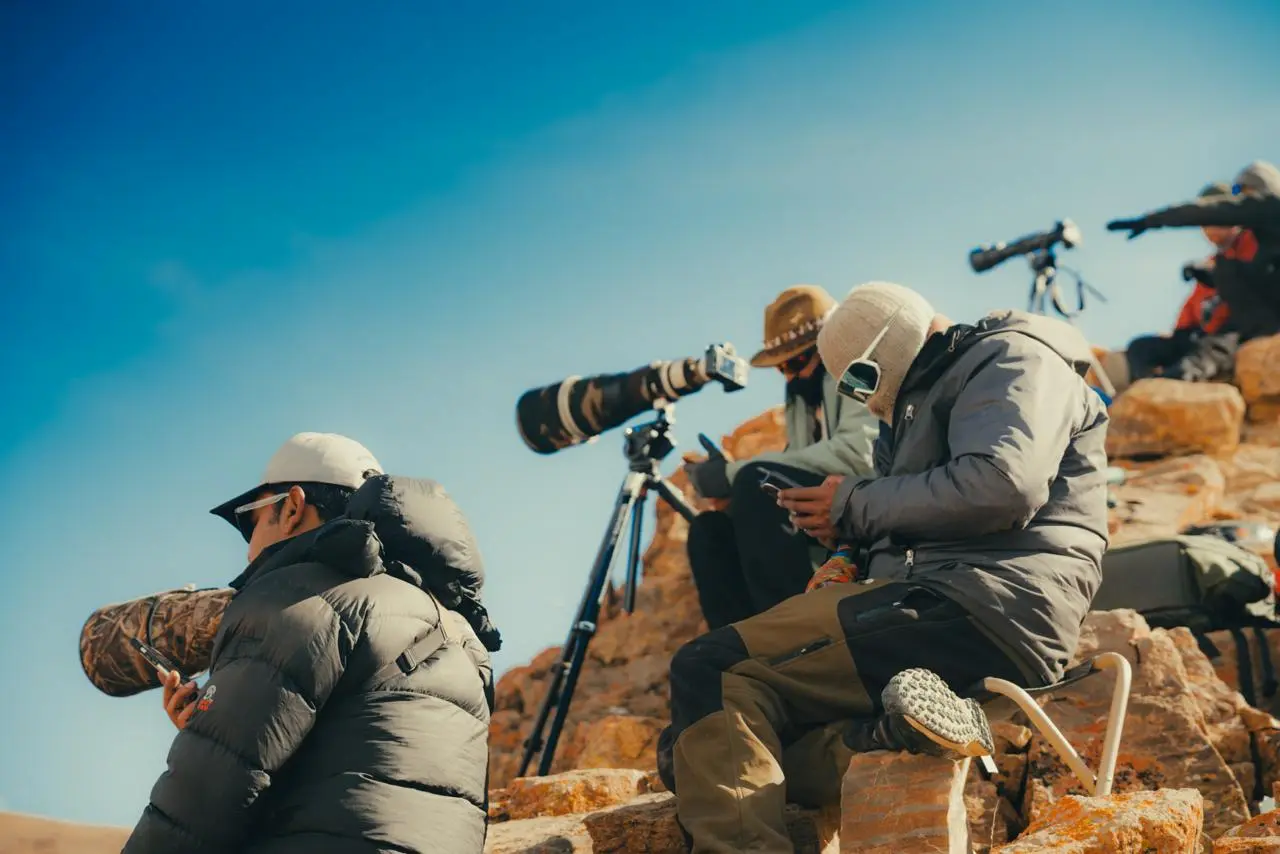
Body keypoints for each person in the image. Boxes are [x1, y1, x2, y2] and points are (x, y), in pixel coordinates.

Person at [657, 282, 1110, 854]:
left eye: (859, 381)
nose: (865, 403)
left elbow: (1002, 487)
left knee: (711, 671)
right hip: (937, 598)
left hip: (982, 603)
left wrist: (851, 504)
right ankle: (894, 735)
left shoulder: (1013, 359)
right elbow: (898, 517)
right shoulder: (913, 402)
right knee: (695, 750)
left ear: (885, 352)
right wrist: (846, 557)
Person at [123, 432, 500, 854]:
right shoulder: (461, 634)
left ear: (293, 507)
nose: (248, 550)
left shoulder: (300, 598)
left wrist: (218, 744)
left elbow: (201, 801)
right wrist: (214, 724)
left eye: (250, 520)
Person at [682, 284, 879, 629]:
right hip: (833, 515)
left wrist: (732, 474)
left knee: (754, 483)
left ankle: (791, 634)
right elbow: (799, 463)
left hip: (873, 504)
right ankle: (743, 651)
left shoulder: (857, 367)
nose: (790, 374)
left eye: (798, 360)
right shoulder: (803, 400)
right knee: (708, 530)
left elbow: (861, 453)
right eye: (781, 367)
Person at [1107, 160, 1280, 344]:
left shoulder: (1271, 207)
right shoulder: (1259, 235)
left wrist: (1152, 220)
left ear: (1262, 187)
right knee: (1225, 270)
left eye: (1240, 192)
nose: (1240, 200)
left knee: (1225, 270)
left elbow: (1207, 211)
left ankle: (1260, 337)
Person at [1107, 182, 1243, 390]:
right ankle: (1146, 391)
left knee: (1198, 358)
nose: (1208, 230)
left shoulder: (1253, 253)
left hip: (1229, 337)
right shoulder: (1210, 261)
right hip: (1198, 336)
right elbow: (1189, 317)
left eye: (1213, 221)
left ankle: (1169, 389)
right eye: (1203, 224)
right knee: (1140, 348)